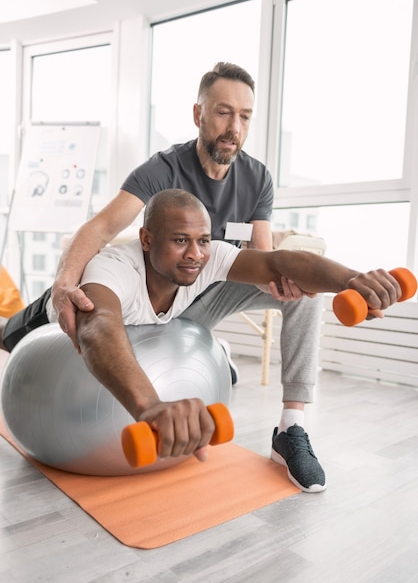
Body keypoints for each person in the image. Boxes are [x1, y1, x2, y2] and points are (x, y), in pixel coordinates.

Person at [1, 63, 326, 491]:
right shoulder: (162, 169)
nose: (234, 127)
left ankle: (290, 428)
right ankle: (15, 325)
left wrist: (286, 280)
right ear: (198, 114)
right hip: (152, 291)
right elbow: (100, 228)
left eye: (245, 116)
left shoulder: (257, 176)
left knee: (308, 293)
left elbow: (263, 256)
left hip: (207, 292)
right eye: (223, 112)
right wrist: (64, 284)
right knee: (17, 334)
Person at [1, 190, 402, 485]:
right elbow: (98, 325)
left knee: (299, 289)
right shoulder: (113, 270)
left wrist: (353, 279)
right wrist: (150, 407)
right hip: (43, 320)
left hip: (148, 327)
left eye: (203, 241)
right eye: (180, 241)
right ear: (146, 240)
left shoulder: (208, 260)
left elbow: (280, 261)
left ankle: (286, 423)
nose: (195, 254)